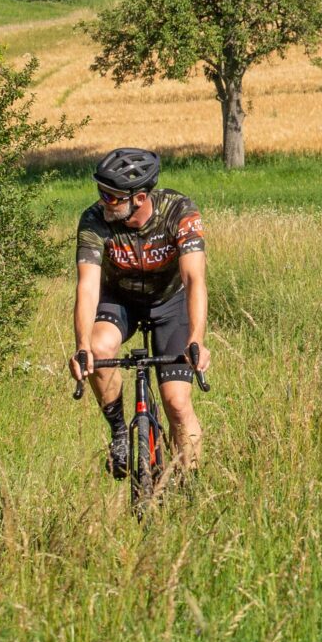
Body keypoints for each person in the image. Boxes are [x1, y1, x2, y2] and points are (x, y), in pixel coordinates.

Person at [69, 148, 209, 478]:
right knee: (99, 348)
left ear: (140, 197)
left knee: (176, 402)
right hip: (121, 300)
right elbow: (88, 285)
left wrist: (197, 340)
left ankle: (188, 486)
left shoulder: (179, 211)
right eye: (101, 193)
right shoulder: (94, 220)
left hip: (170, 302)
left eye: (112, 197)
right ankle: (119, 432)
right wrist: (82, 346)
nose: (104, 202)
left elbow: (193, 278)